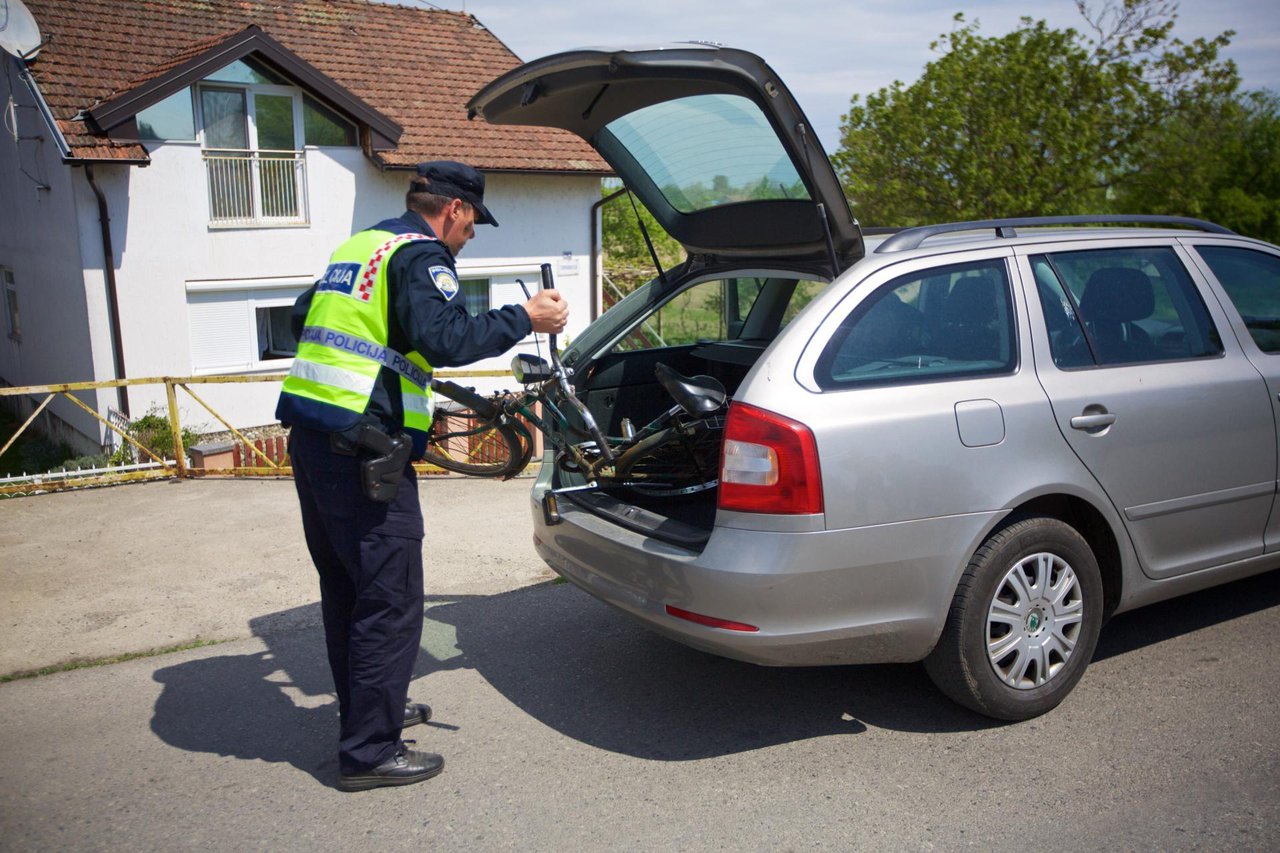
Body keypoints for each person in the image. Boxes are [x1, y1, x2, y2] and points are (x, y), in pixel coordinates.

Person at [276, 161, 568, 791]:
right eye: (471, 228)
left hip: (317, 440)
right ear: (454, 210)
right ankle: (370, 752)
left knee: (349, 591)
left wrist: (389, 369)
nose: (467, 240)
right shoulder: (420, 254)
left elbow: (307, 322)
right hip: (364, 452)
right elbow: (444, 336)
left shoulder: (360, 248)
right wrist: (526, 318)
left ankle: (367, 712)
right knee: (390, 598)